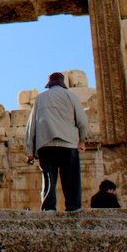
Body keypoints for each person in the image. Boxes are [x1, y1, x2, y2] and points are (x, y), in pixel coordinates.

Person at [25, 71, 89, 212]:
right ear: (62, 83)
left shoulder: (40, 99)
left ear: (49, 84)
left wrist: (29, 151)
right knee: (71, 178)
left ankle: (48, 208)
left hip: (46, 144)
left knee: (48, 178)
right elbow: (83, 122)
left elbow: (31, 127)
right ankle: (73, 207)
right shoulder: (71, 97)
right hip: (68, 143)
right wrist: (82, 141)